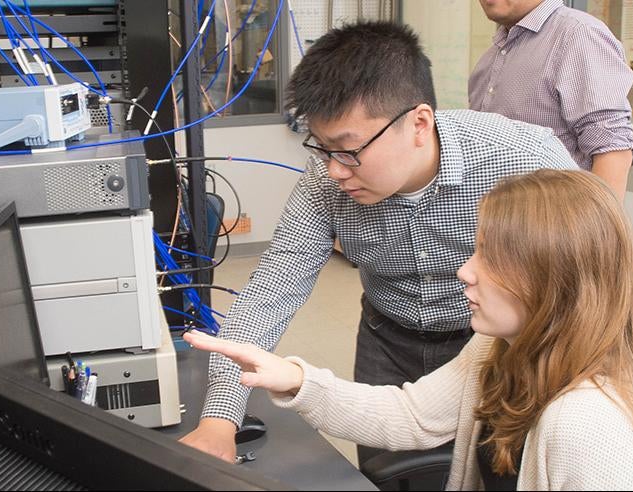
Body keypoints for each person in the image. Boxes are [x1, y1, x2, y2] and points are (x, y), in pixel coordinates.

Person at [178, 21, 578, 464]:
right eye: (322, 148)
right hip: (387, 340)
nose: (334, 170)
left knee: (497, 468)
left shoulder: (525, 159)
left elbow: (591, 280)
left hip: (498, 344)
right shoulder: (327, 180)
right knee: (385, 472)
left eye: (349, 150)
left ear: (419, 123)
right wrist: (219, 419)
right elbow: (272, 290)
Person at [185, 169, 633, 490]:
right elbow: (410, 415)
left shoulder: (586, 423)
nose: (465, 271)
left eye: (488, 256)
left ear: (551, 280)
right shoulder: (500, 348)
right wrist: (295, 379)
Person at [470, 0, 633, 198]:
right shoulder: (490, 59)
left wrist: (596, 228)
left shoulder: (578, 34)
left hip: (556, 224)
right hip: (498, 222)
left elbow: (612, 149)